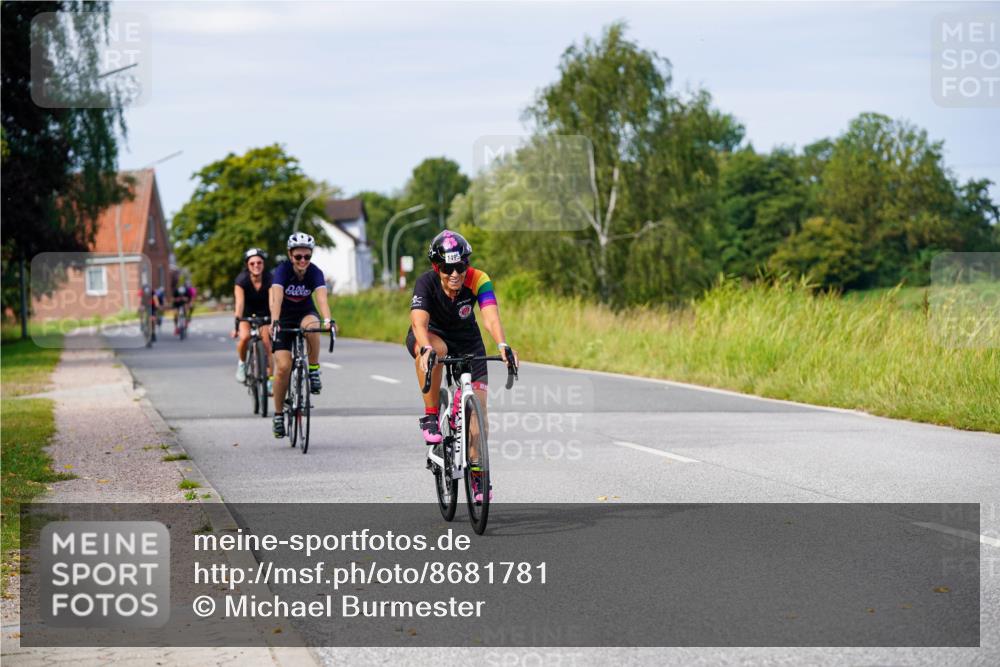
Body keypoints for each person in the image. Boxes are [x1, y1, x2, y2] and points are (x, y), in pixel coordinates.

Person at [406, 230, 518, 502]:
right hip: (432, 337)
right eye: (447, 268)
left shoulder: (479, 279)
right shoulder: (426, 282)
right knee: (436, 351)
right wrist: (426, 347)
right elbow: (418, 323)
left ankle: (478, 477)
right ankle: (431, 416)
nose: (455, 274)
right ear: (437, 267)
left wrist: (503, 345)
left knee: (479, 421)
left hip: (469, 343)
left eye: (460, 266)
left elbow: (491, 317)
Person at [269, 232, 334, 438]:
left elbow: (322, 299)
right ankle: (279, 415)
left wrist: (327, 320)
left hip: (305, 313)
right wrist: (274, 321)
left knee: (312, 326)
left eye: (307, 256)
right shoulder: (282, 271)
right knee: (283, 368)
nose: (303, 261)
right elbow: (277, 298)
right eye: (298, 257)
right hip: (285, 318)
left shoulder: (315, 272)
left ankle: (313, 369)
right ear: (290, 255)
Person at [231, 248, 273, 389]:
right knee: (244, 337)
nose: (256, 266)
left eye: (259, 262)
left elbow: (273, 302)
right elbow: (240, 303)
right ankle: (242, 364)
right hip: (246, 314)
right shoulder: (241, 280)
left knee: (267, 344)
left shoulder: (270, 278)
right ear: (247, 265)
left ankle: (270, 379)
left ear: (263, 264)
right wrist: (237, 325)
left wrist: (274, 321)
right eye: (252, 263)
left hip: (265, 315)